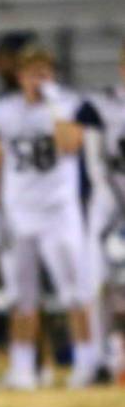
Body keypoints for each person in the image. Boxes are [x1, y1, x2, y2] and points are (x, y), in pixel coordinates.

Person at [0, 44, 99, 389]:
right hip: (19, 213)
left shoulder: (66, 104)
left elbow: (70, 144)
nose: (39, 79)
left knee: (74, 291)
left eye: (45, 72)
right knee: (21, 296)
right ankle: (21, 367)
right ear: (19, 76)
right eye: (33, 72)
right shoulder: (3, 111)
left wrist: (54, 105)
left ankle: (86, 361)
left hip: (58, 212)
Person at [81, 40, 125, 378]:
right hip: (110, 204)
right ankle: (100, 356)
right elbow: (95, 164)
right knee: (100, 282)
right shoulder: (103, 105)